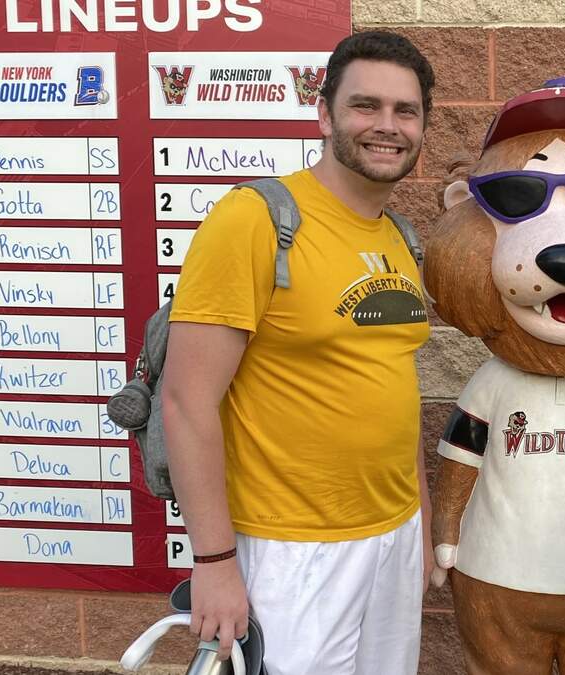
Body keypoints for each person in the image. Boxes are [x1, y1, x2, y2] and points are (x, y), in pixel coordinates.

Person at [161, 31, 435, 675]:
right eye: (366, 105)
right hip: (290, 548)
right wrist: (213, 562)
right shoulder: (254, 219)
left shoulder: (400, 237)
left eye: (406, 111)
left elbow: (394, 386)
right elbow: (185, 401)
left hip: (392, 534)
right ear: (324, 114)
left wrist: (418, 528)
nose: (387, 125)